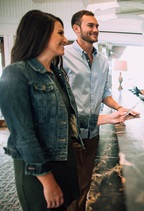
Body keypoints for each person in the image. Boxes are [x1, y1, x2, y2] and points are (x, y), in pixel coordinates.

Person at [0, 10, 85, 210]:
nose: (65, 40)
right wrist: (48, 181)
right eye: (60, 33)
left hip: (64, 162)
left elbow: (66, 119)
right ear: (40, 34)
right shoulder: (15, 74)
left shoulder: (57, 73)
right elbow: (23, 136)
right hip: (39, 172)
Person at [63, 10, 139, 211]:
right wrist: (107, 118)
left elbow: (105, 93)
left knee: (86, 182)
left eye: (97, 26)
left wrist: (120, 107)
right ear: (76, 28)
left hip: (93, 134)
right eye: (91, 25)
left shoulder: (103, 61)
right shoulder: (63, 56)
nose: (96, 29)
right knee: (70, 187)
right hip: (70, 135)